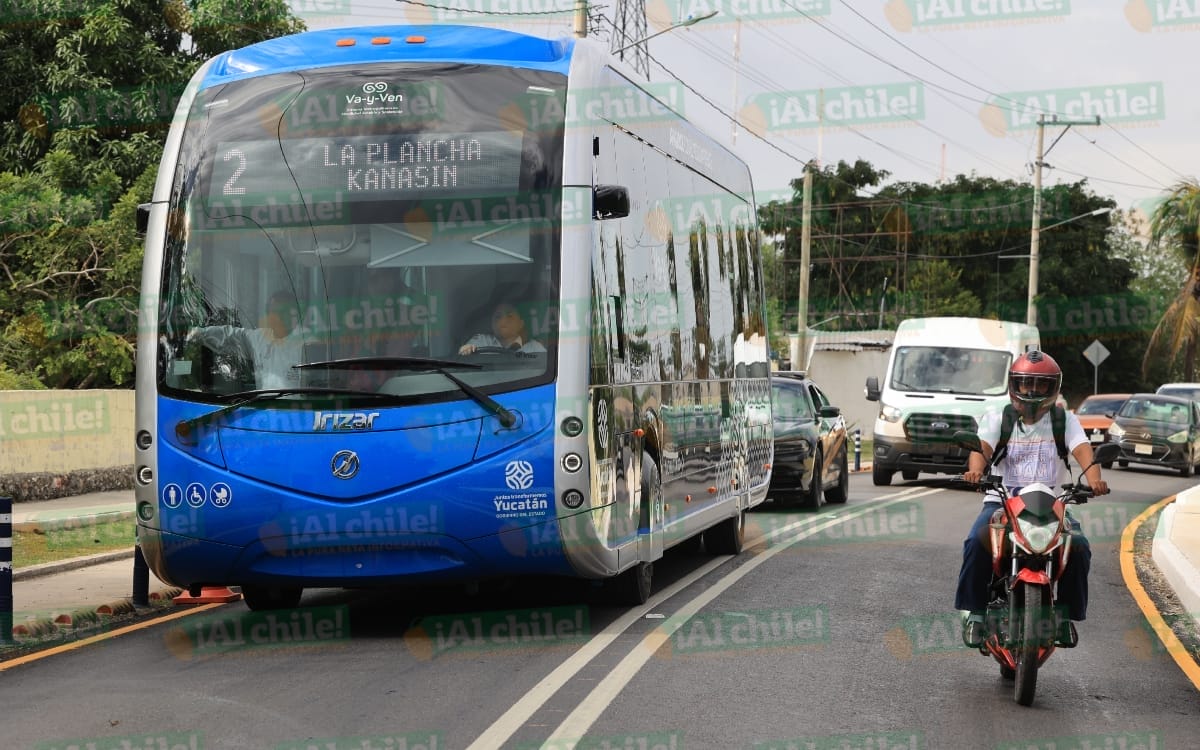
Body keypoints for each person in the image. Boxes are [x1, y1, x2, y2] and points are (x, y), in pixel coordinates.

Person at [957, 350, 1109, 648]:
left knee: (1079, 547)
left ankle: (1065, 617)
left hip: (1049, 504)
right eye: (1026, 383)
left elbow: (1083, 451)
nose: (1032, 390)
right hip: (1002, 502)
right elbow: (982, 449)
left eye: (1041, 384)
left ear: (1053, 387)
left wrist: (1094, 480)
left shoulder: (1064, 420)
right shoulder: (998, 418)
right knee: (976, 541)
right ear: (1014, 384)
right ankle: (975, 613)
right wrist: (975, 471)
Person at [188, 291, 307, 390]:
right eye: (273, 312)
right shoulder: (260, 338)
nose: (276, 317)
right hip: (264, 406)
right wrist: (198, 333)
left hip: (295, 408)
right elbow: (230, 335)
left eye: (282, 312)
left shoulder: (307, 341)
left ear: (294, 314)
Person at [458, 302, 545, 355]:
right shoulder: (480, 342)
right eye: (498, 316)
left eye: (510, 316)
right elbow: (463, 358)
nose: (503, 320)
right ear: (492, 323)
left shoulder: (535, 348)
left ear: (521, 324)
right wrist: (466, 351)